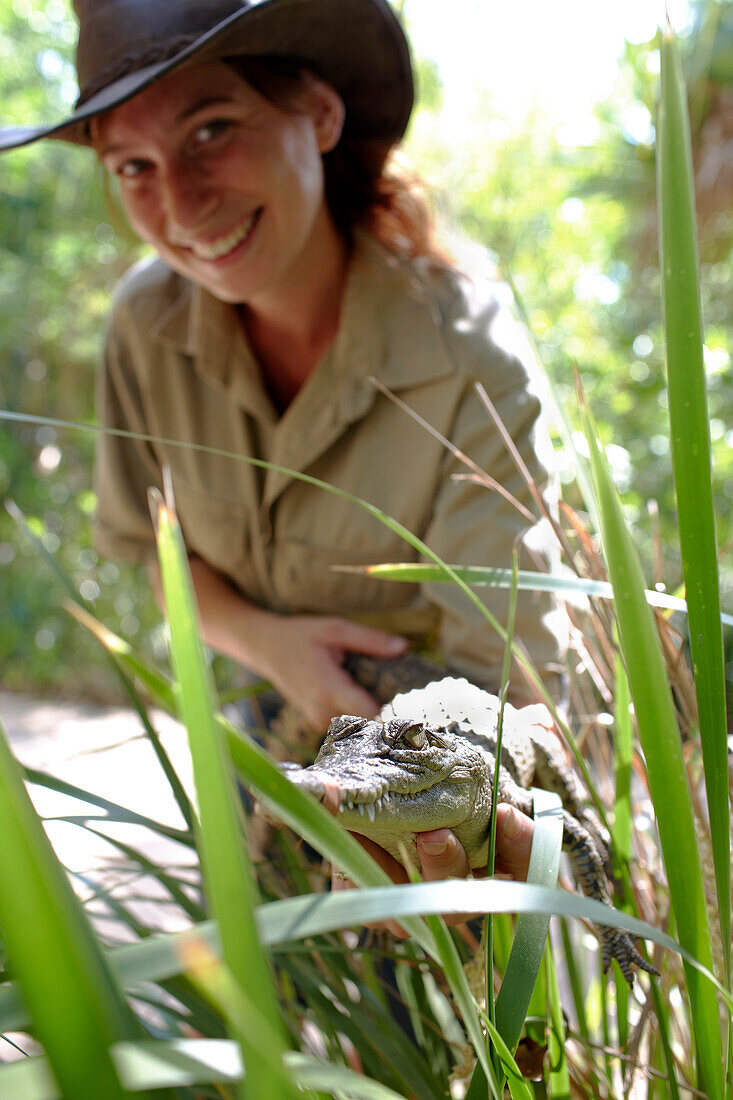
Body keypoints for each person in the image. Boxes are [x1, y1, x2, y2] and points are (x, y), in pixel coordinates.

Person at [0, 0, 567, 889]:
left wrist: (448, 821)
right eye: (134, 167)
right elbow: (160, 549)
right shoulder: (144, 330)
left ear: (320, 113)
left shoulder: (466, 353)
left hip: (443, 780)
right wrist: (268, 644)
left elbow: (513, 684)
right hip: (265, 754)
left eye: (212, 131)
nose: (181, 205)